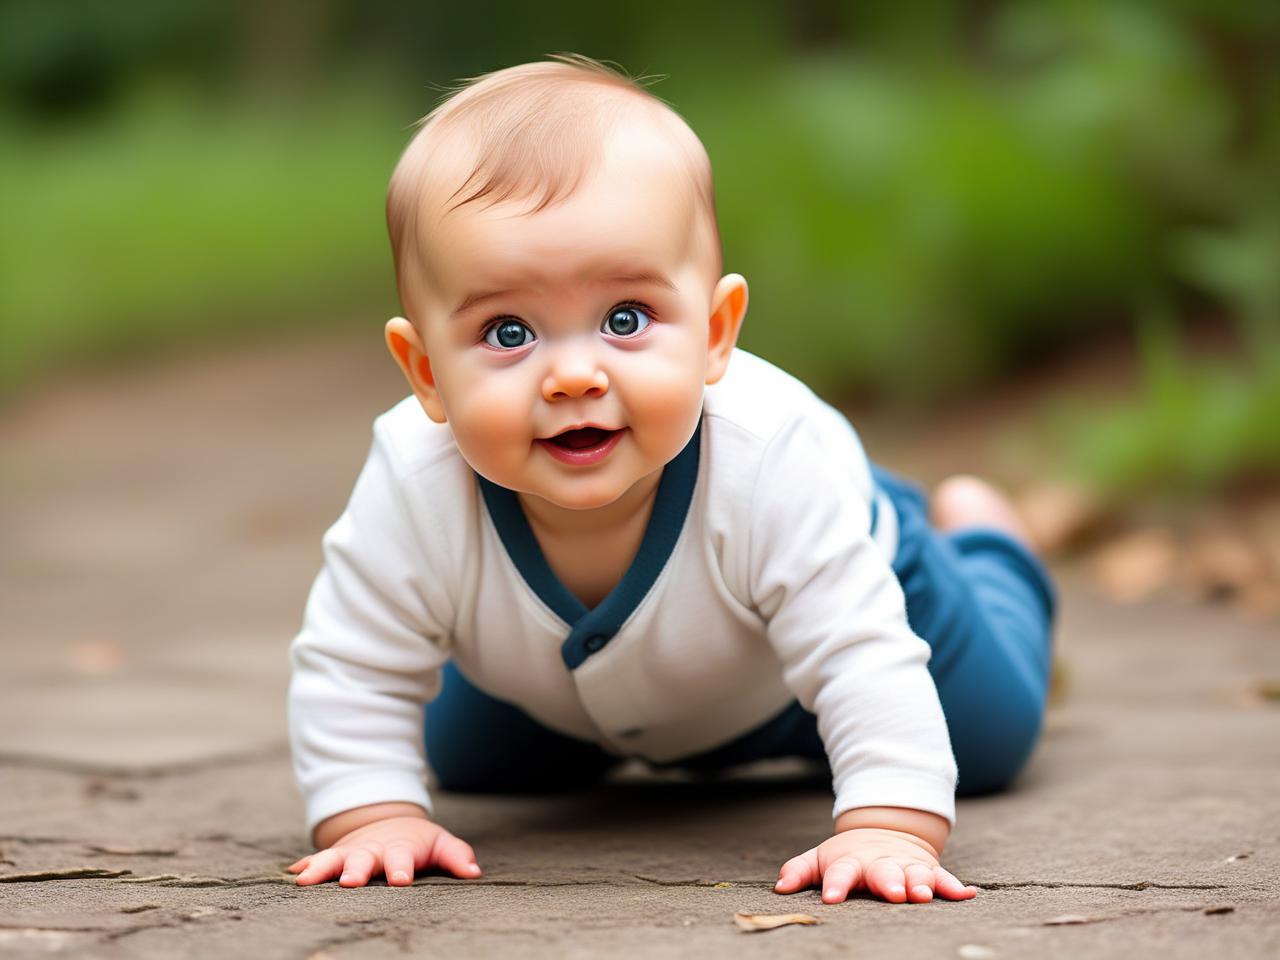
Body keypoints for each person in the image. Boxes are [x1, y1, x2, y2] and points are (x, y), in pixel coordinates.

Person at [286, 53, 1056, 906]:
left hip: (825, 631)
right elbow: (354, 663)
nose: (572, 377)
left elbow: (859, 651)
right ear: (426, 371)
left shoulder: (767, 457)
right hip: (564, 690)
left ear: (716, 332)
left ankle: (986, 541)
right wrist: (373, 816)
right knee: (471, 761)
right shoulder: (413, 477)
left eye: (626, 319)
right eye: (508, 332)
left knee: (988, 741)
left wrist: (888, 825)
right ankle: (556, 702)